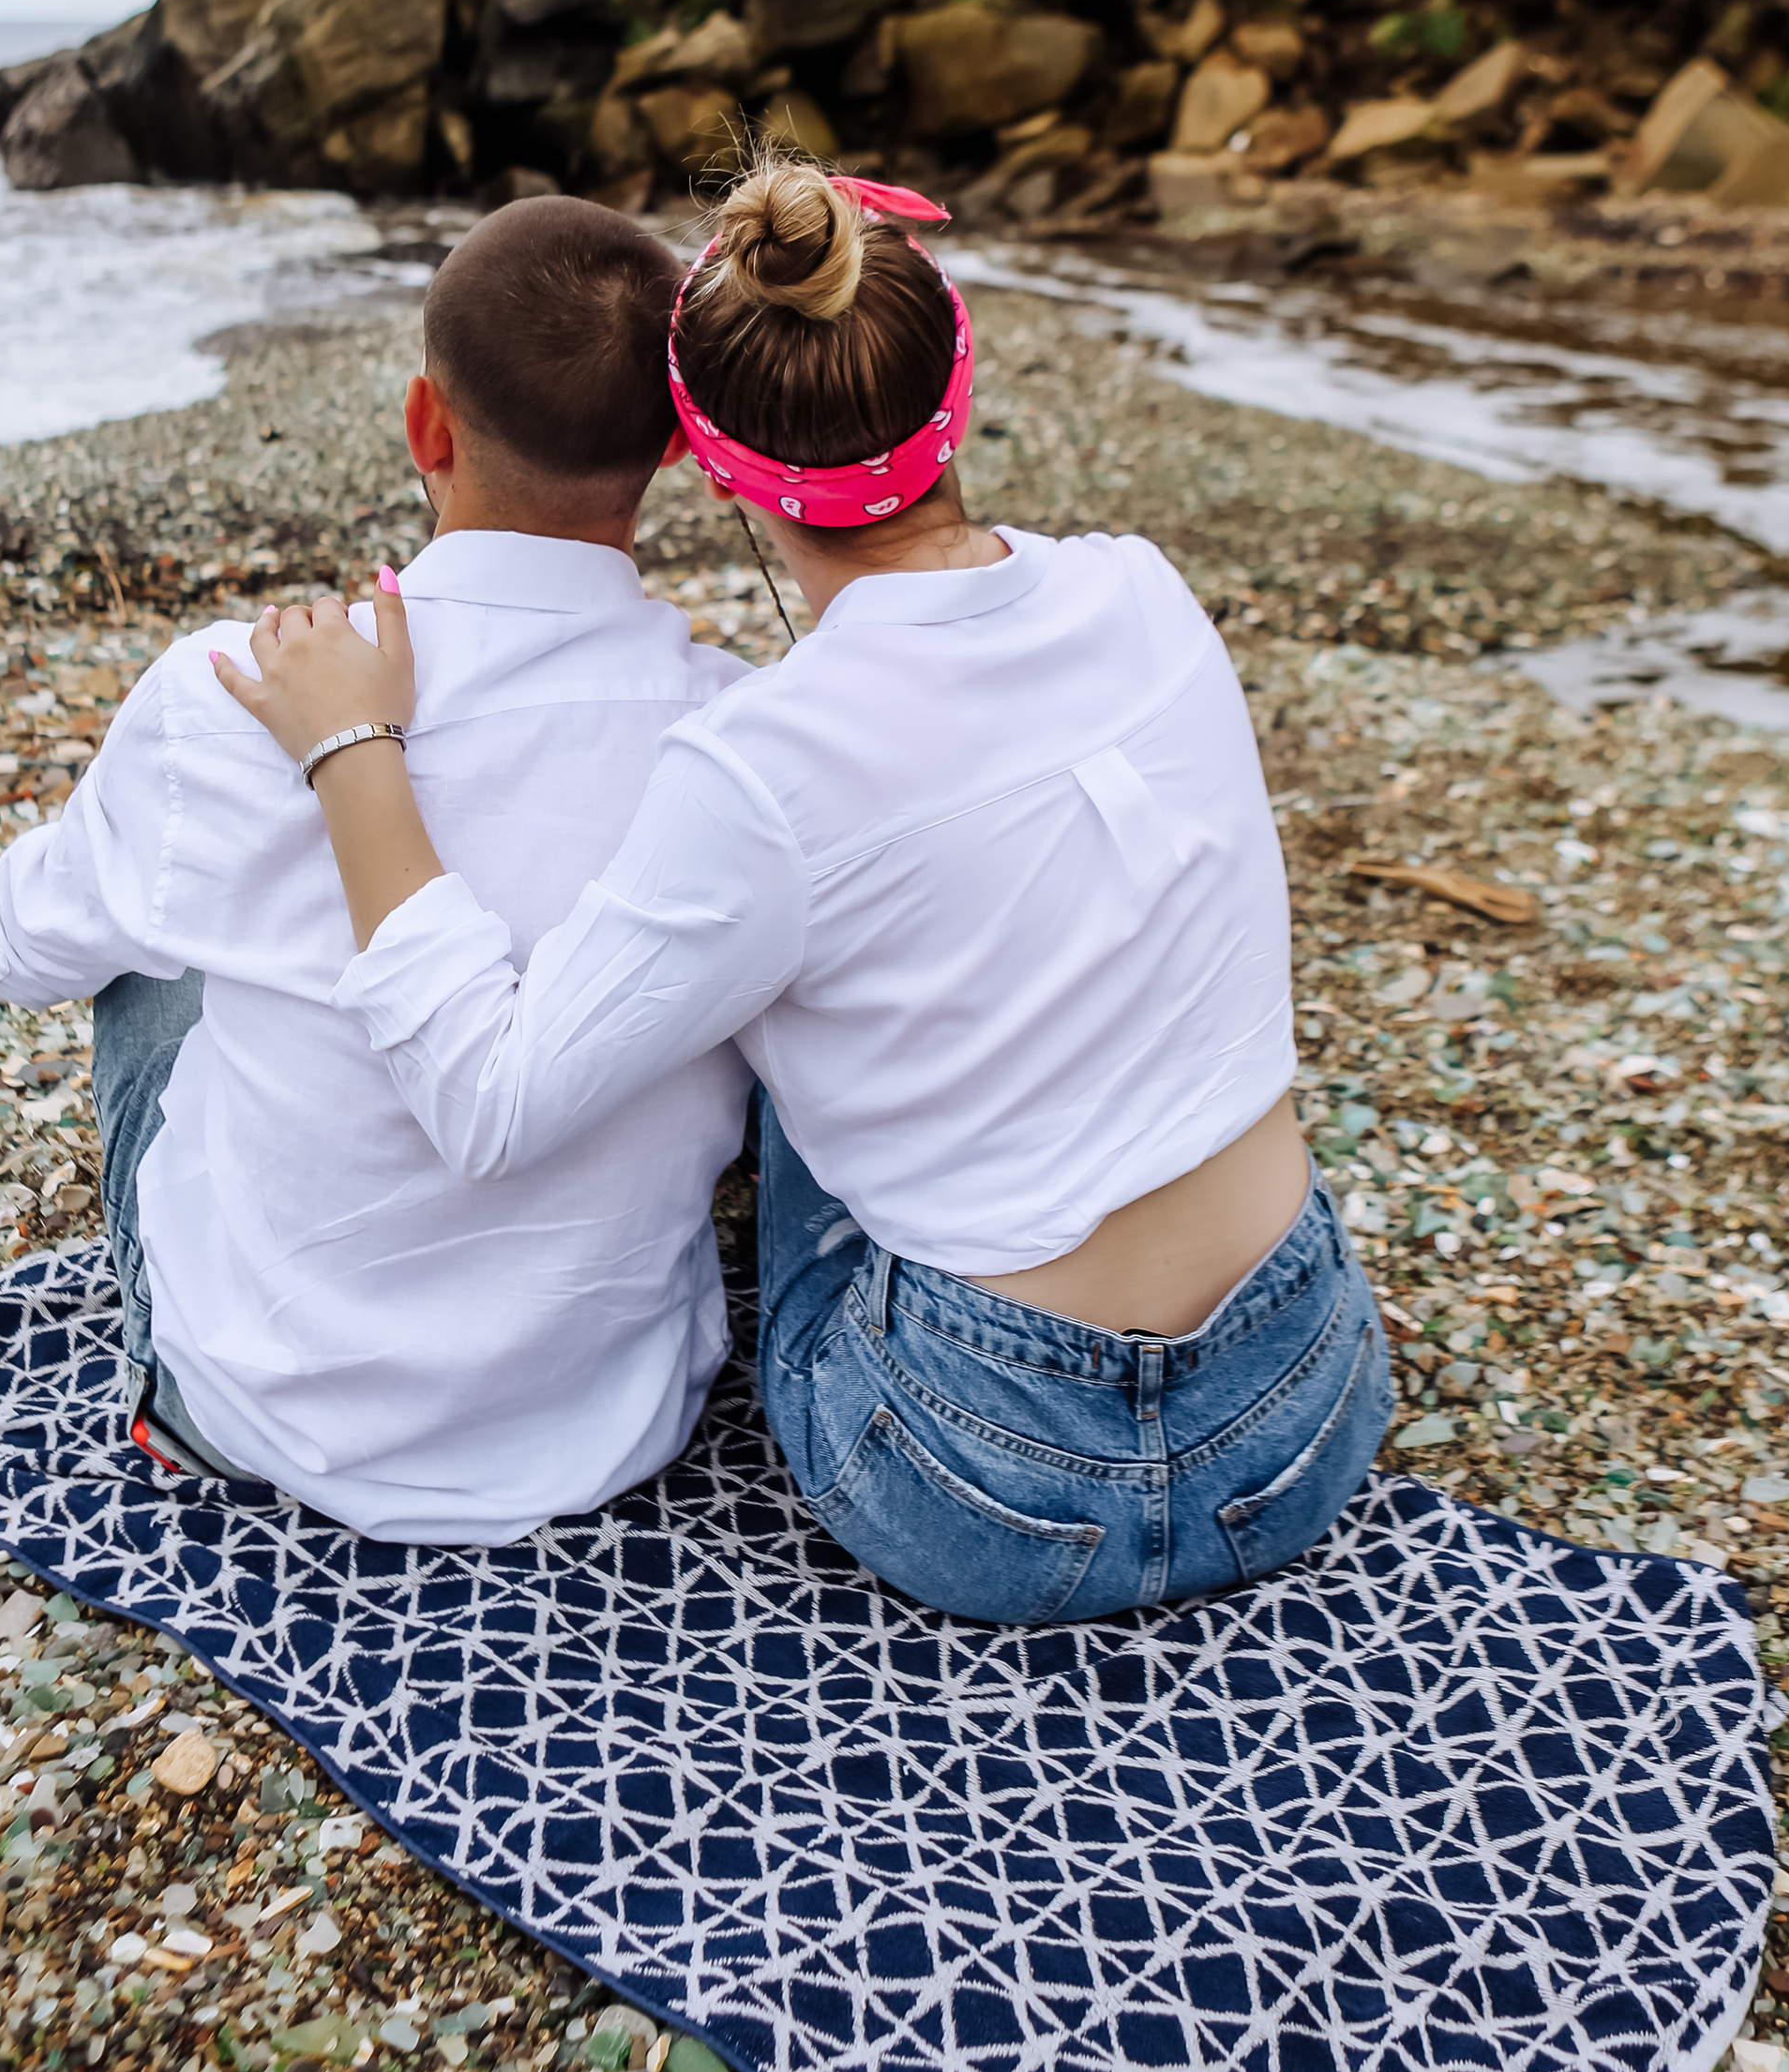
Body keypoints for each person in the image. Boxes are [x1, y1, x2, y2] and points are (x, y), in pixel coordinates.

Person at [217, 154, 1393, 1626]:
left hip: (992, 1487)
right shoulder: (1146, 588)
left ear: (712, 469)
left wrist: (352, 746)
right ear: (956, 394)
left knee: (758, 993)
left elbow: (490, 1101)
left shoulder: (758, 769)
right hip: (1309, 1401)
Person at [0, 194, 751, 1544]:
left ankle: (217, 1346)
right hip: (621, 1417)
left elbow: (18, 954)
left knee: (143, 956)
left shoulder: (228, 690)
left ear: (425, 424)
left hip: (272, 1417)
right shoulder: (743, 738)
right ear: (677, 449)